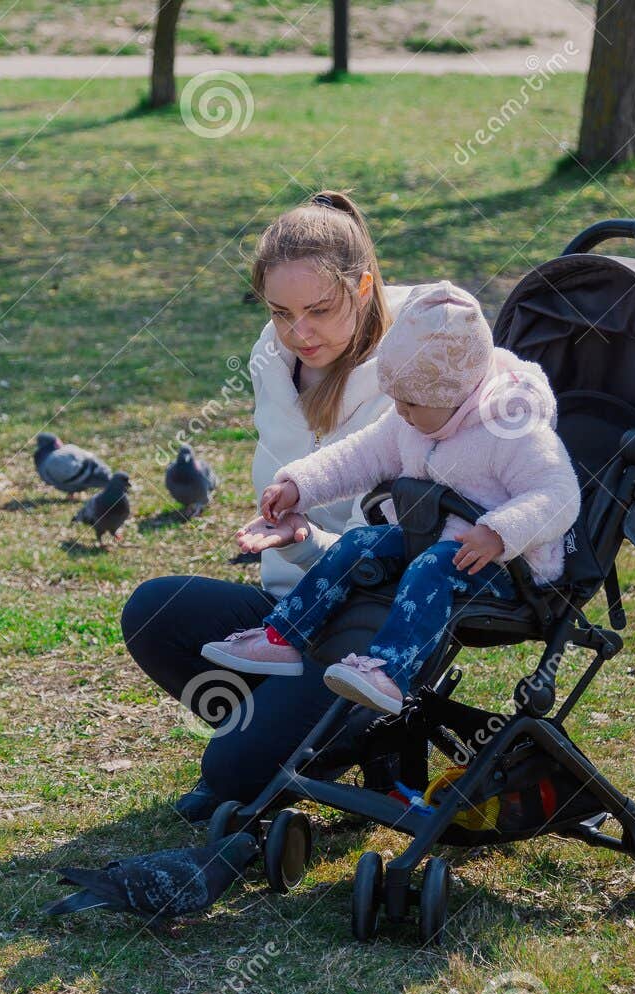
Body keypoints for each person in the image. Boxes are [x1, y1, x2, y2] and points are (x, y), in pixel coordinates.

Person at [120, 190, 412, 818]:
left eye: (318, 310)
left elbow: (396, 553)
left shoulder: (412, 380)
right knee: (152, 612)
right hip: (284, 617)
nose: (297, 332)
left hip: (366, 637)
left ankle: (319, 742)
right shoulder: (275, 364)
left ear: (362, 288)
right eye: (280, 312)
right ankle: (295, 742)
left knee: (229, 773)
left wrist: (304, 539)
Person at [201, 282, 580, 715]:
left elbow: (559, 494)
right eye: (395, 399)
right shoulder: (414, 416)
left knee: (431, 568)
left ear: (457, 395)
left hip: (504, 564)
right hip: (432, 536)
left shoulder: (512, 429)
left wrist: (499, 532)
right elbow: (361, 454)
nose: (399, 412)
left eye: (411, 403)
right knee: (357, 545)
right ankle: (284, 636)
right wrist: (299, 484)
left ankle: (388, 670)